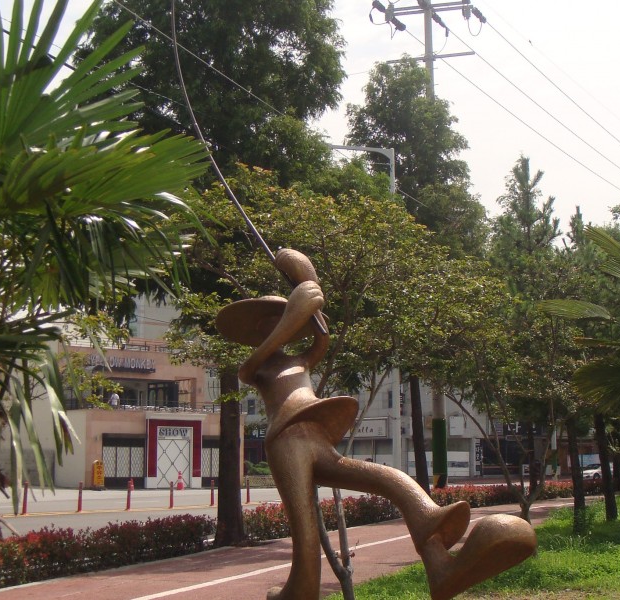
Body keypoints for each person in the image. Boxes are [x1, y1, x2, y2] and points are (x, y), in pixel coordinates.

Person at [216, 249, 536, 600]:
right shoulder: (258, 365)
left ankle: (438, 561)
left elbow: (321, 335)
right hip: (285, 441)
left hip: (315, 432)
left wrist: (305, 280)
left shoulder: (301, 359)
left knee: (391, 479)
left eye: (276, 321)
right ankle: (300, 589)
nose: (272, 329)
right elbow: (250, 366)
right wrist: (292, 315)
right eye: (265, 325)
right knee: (304, 529)